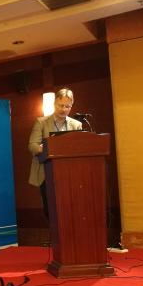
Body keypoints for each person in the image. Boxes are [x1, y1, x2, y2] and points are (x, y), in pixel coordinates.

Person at [28, 88, 82, 219]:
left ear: (71, 106)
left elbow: (79, 149)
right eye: (60, 105)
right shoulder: (41, 122)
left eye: (67, 106)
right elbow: (32, 146)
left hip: (70, 174)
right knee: (51, 211)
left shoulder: (77, 125)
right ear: (54, 103)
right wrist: (47, 148)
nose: (63, 109)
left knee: (70, 209)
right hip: (47, 173)